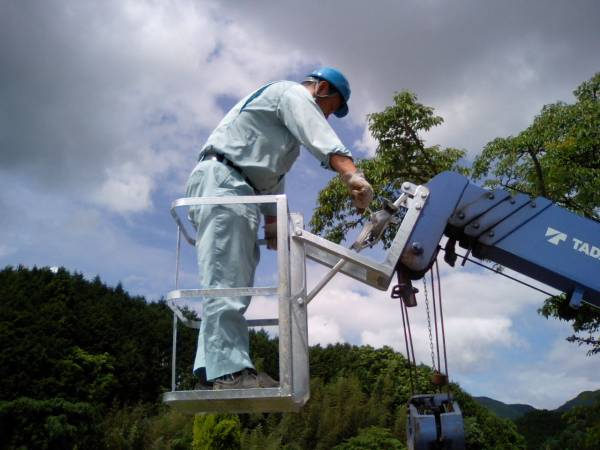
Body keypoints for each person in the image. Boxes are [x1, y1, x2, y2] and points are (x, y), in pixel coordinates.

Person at [186, 67, 374, 389]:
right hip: (225, 184)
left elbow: (271, 177)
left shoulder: (281, 136)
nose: (325, 118)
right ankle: (228, 373)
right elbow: (319, 134)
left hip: (238, 187)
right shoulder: (292, 94)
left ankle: (211, 368)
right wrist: (352, 174)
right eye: (329, 109)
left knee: (231, 276)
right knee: (228, 279)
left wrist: (274, 223)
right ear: (322, 89)